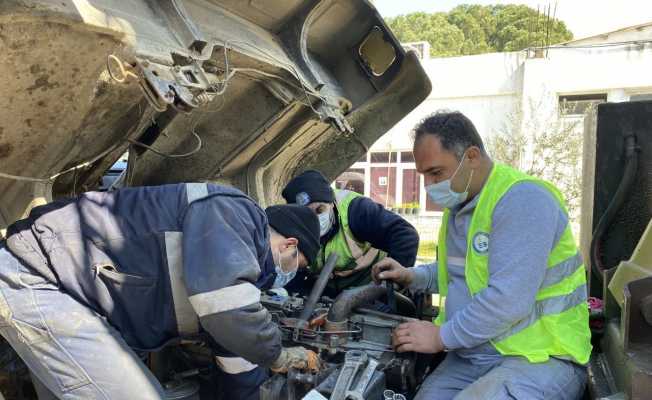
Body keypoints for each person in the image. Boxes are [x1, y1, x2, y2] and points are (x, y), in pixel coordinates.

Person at [0, 182, 321, 400]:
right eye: (298, 263)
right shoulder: (236, 213)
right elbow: (229, 310)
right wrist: (278, 355)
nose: (291, 275)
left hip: (71, 292)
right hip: (37, 275)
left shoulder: (239, 276)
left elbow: (236, 355)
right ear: (290, 244)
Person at [372, 111, 591, 400]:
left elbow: (508, 299)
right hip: (480, 352)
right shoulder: (462, 208)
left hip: (540, 356)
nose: (428, 186)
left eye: (436, 173)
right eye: (423, 175)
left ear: (472, 157)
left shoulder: (523, 200)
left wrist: (440, 337)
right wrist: (413, 276)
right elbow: (462, 274)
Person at [281, 170, 419, 295]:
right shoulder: (292, 230)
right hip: (326, 288)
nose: (315, 220)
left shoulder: (357, 210)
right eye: (306, 215)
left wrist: (389, 285)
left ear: (331, 203)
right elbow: (292, 271)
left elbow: (405, 236)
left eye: (319, 210)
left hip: (370, 283)